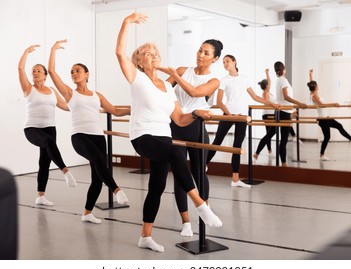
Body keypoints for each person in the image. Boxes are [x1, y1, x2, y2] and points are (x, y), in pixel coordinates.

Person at [115, 12, 222, 253]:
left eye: (155, 53)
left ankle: (145, 236)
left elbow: (179, 119)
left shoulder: (167, 87)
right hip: (143, 137)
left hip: (162, 137)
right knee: (176, 152)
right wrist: (126, 23)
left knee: (157, 186)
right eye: (147, 54)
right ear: (140, 62)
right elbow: (120, 53)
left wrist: (196, 114)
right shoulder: (137, 78)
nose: (153, 56)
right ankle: (200, 206)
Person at [48, 39, 130, 224]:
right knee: (101, 162)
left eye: (77, 70)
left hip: (98, 136)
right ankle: (117, 190)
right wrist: (53, 50)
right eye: (71, 72)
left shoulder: (97, 95)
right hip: (80, 136)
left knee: (97, 178)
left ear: (87, 74)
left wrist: (135, 109)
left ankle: (87, 213)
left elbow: (115, 111)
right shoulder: (70, 93)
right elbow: (52, 72)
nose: (74, 74)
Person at [158, 39, 222, 237]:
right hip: (176, 125)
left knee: (198, 173)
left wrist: (176, 75)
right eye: (199, 50)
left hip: (196, 127)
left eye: (206, 53)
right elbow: (162, 90)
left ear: (215, 58)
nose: (200, 55)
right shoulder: (183, 70)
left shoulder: (214, 81)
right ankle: (186, 222)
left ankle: (205, 211)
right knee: (179, 175)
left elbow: (194, 92)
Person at [206, 55, 279, 187]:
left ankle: (235, 178)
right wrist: (230, 114)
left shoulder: (244, 79)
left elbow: (255, 96)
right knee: (217, 141)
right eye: (223, 62)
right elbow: (219, 102)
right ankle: (203, 165)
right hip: (229, 115)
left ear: (234, 62)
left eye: (227, 61)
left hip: (242, 116)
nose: (225, 64)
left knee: (237, 147)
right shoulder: (223, 80)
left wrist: (271, 104)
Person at [18, 45, 77, 206]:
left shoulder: (51, 90)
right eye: (33, 71)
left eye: (38, 71)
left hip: (50, 127)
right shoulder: (28, 88)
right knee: (48, 143)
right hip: (32, 128)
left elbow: (64, 105)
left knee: (44, 161)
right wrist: (26, 52)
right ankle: (65, 171)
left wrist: (84, 107)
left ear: (45, 75)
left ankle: (40, 196)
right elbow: (20, 68)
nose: (35, 73)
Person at [308, 69, 351, 160]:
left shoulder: (313, 93)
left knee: (339, 126)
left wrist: (310, 74)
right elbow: (321, 105)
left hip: (326, 118)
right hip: (322, 120)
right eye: (317, 85)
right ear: (316, 87)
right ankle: (321, 155)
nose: (318, 86)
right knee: (327, 137)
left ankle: (350, 139)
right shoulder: (314, 96)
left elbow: (311, 84)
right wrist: (334, 104)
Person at [273, 61, 307, 166]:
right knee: (283, 140)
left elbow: (283, 100)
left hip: (284, 111)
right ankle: (283, 163)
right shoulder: (283, 80)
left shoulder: (279, 80)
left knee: (282, 139)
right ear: (283, 70)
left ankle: (283, 163)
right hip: (283, 112)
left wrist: (292, 111)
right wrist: (299, 103)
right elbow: (286, 97)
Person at [253, 69, 276, 159]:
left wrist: (267, 73)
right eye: (268, 84)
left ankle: (267, 151)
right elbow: (266, 102)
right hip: (268, 114)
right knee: (270, 133)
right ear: (266, 86)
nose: (270, 84)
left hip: (270, 114)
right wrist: (274, 105)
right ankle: (258, 152)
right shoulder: (265, 93)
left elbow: (269, 81)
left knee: (269, 133)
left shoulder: (268, 92)